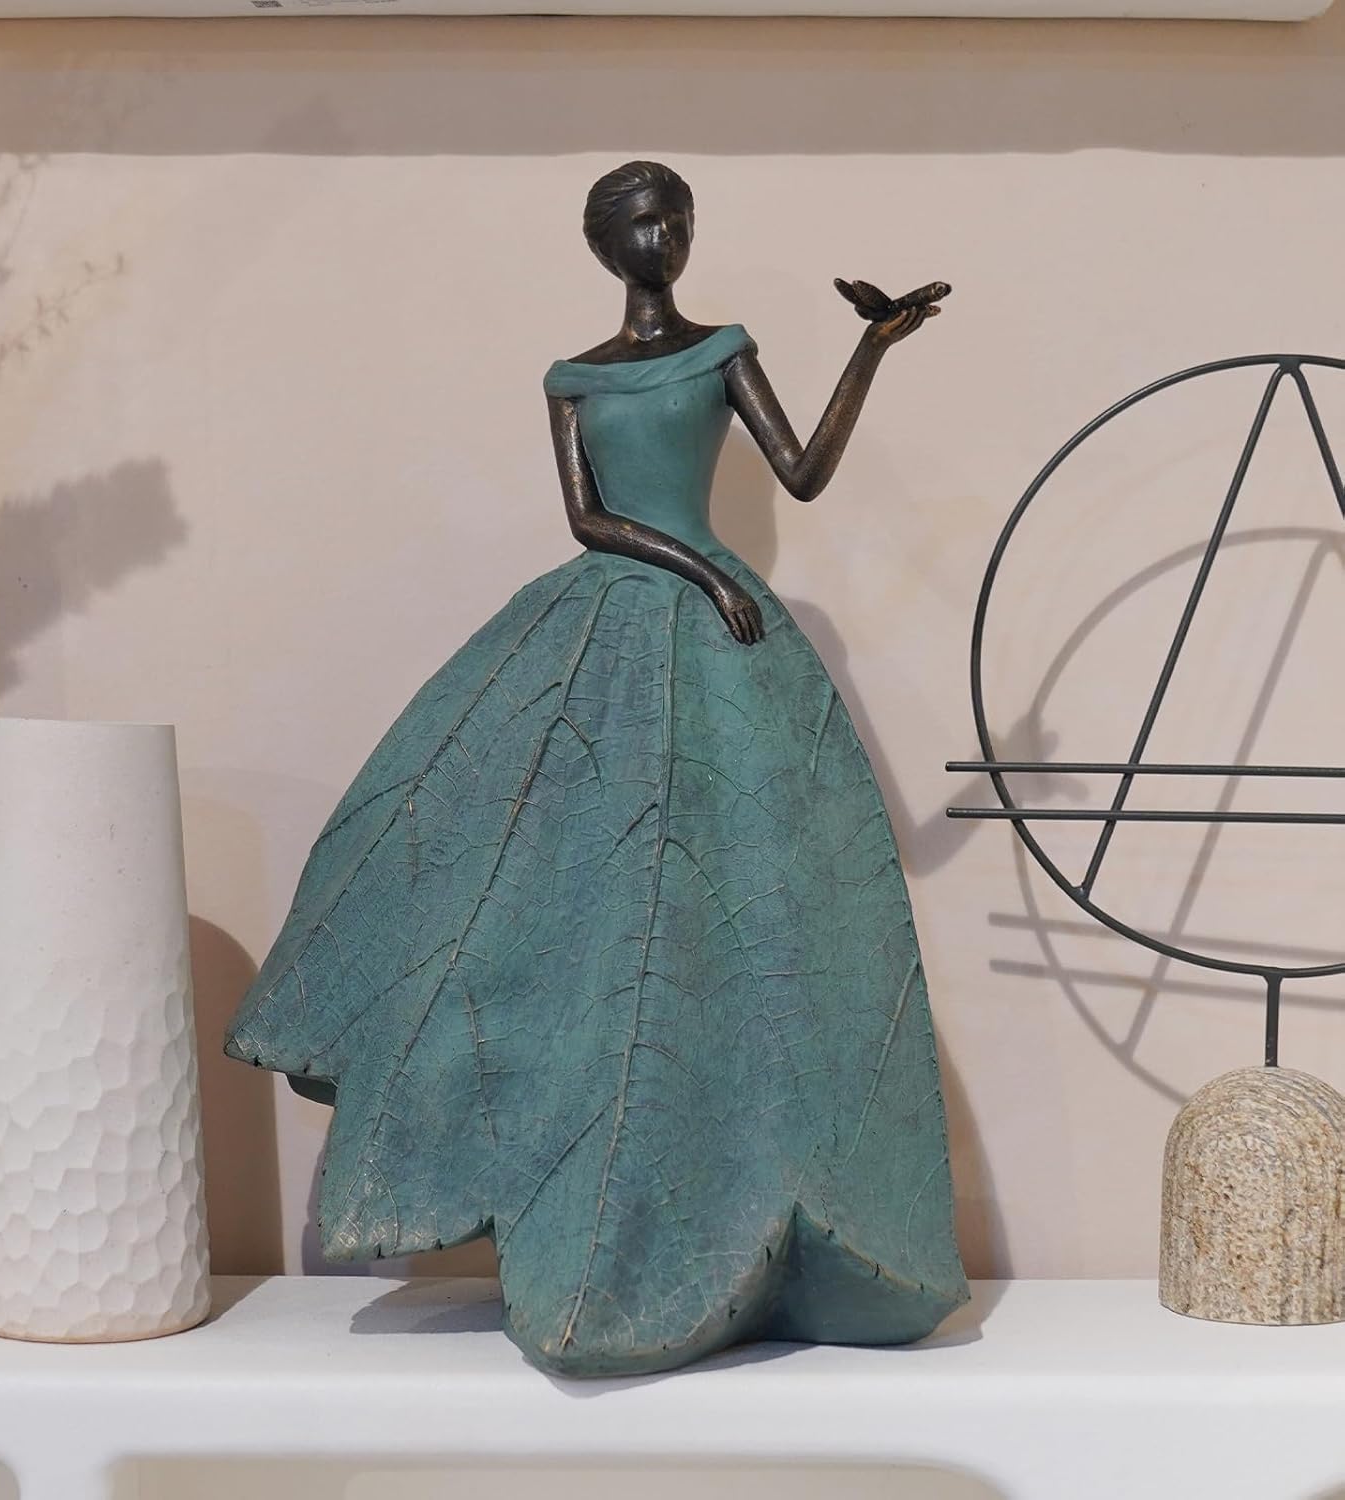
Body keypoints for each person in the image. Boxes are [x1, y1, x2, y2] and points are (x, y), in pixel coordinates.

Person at [227, 161, 968, 1377]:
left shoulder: (724, 348)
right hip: (617, 623)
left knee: (745, 902)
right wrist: (708, 570)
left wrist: (870, 351)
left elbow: (802, 472)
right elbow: (588, 518)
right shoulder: (574, 377)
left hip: (722, 643)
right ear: (602, 243)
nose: (657, 235)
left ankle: (746, 1196)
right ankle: (547, 1169)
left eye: (673, 216)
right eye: (634, 221)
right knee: (536, 884)